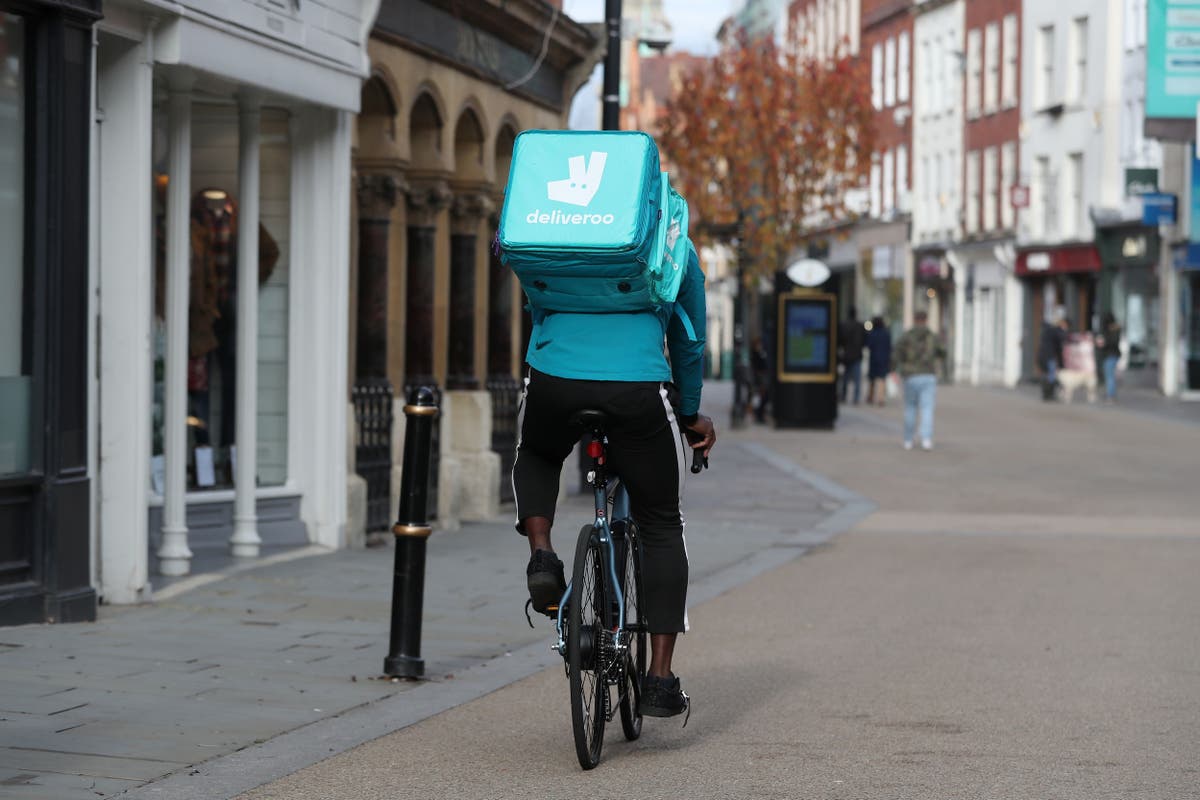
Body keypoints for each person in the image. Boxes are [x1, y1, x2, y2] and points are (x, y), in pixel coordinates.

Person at [512, 246, 715, 720]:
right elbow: (690, 336)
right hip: (635, 384)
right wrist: (689, 412)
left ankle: (541, 554)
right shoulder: (667, 230)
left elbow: (535, 294)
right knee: (662, 521)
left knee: (538, 454)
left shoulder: (562, 220)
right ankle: (660, 681)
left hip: (554, 376)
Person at [893, 310, 946, 450]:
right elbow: (943, 351)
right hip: (928, 375)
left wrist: (895, 369)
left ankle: (908, 440)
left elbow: (896, 353)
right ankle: (926, 439)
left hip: (910, 376)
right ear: (926, 320)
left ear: (914, 319)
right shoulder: (932, 336)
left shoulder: (907, 336)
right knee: (927, 408)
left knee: (910, 408)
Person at [1037, 310, 1068, 402]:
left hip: (1042, 356)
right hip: (1049, 356)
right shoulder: (1055, 331)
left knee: (1046, 374)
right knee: (1051, 375)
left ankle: (1046, 393)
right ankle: (1049, 394)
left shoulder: (1045, 330)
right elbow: (1060, 343)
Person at [838, 307, 866, 405]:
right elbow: (864, 340)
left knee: (845, 377)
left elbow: (840, 339)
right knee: (857, 378)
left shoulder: (843, 325)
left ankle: (843, 396)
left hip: (846, 354)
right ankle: (856, 398)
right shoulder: (860, 326)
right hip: (857, 354)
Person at [864, 315, 892, 406]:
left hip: (874, 358)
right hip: (884, 358)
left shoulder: (872, 333)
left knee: (872, 378)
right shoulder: (886, 333)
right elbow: (889, 346)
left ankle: (870, 396)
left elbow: (868, 345)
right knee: (882, 379)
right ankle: (881, 398)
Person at [1096, 312, 1121, 403]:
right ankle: (1110, 394)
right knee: (1109, 375)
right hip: (1111, 355)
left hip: (1110, 354)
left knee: (1109, 376)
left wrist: (1104, 343)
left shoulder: (1112, 330)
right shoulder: (1113, 329)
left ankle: (1111, 395)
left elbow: (1112, 342)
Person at [750, 337, 770, 423]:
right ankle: (758, 415)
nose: (759, 346)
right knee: (760, 396)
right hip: (759, 378)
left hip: (762, 377)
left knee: (764, 397)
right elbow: (756, 367)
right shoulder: (755, 354)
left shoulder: (762, 352)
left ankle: (760, 414)